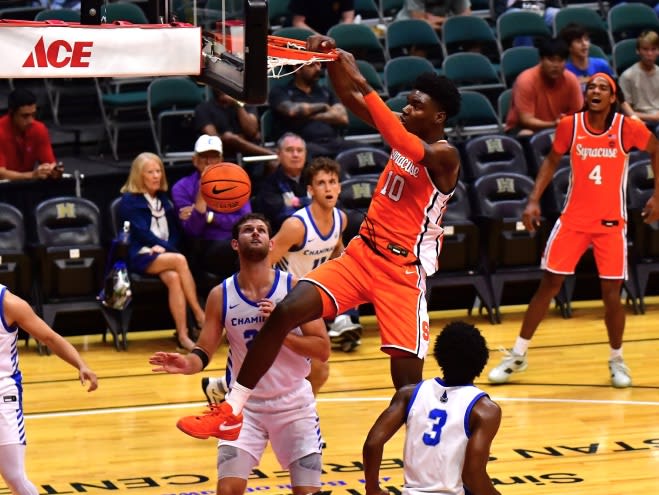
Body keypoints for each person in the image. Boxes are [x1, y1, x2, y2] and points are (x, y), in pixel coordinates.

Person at [174, 35, 463, 440]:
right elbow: (349, 100)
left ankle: (432, 458)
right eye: (407, 102)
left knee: (406, 387)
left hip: (403, 273)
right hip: (363, 255)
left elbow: (394, 134)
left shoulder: (445, 156)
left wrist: (362, 79)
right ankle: (232, 409)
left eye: (417, 105)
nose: (407, 108)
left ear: (439, 117)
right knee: (285, 312)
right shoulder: (406, 131)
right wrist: (328, 59)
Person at [489, 73, 659, 388]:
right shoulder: (571, 125)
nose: (594, 90)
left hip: (611, 224)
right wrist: (533, 201)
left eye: (602, 88)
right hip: (573, 221)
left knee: (612, 296)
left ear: (612, 98)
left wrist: (658, 196)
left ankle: (617, 359)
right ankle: (518, 354)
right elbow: (551, 162)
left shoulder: (627, 128)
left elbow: (656, 149)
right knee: (549, 285)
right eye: (590, 87)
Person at [149, 213, 330, 495]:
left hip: (295, 406)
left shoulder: (295, 289)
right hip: (243, 410)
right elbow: (204, 350)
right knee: (228, 490)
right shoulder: (220, 295)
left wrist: (280, 328)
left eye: (262, 229)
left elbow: (322, 348)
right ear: (235, 244)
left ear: (271, 244)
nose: (256, 233)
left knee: (308, 492)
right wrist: (187, 363)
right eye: (248, 230)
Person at [201, 157, 359, 404]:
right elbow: (265, 260)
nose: (328, 188)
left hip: (307, 299)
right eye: (321, 183)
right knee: (310, 366)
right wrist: (260, 298)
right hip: (284, 297)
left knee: (303, 366)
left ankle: (222, 387)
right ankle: (303, 416)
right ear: (310, 190)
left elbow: (336, 247)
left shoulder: (341, 219)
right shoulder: (296, 226)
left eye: (332, 182)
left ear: (340, 187)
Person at [363, 321, 501, 495]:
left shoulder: (409, 394)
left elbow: (373, 443)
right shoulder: (484, 409)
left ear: (439, 355)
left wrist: (372, 489)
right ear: (482, 360)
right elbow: (473, 475)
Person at [0, 284, 98, 495]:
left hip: (3, 395)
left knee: (14, 476)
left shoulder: (10, 303)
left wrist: (81, 364)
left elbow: (49, 337)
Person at [118, 152, 206, 352]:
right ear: (139, 176)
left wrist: (166, 247)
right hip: (140, 254)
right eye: (150, 172)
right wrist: (165, 249)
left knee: (174, 277)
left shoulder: (164, 200)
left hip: (164, 254)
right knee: (179, 260)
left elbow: (175, 233)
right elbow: (140, 233)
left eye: (158, 171)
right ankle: (199, 315)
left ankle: (183, 336)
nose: (156, 176)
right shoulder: (130, 202)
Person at [171, 134, 251, 283]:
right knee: (239, 250)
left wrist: (209, 217)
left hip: (236, 240)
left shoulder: (237, 183)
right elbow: (192, 231)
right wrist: (201, 198)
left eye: (213, 157)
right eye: (203, 156)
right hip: (205, 244)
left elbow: (245, 221)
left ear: (221, 160)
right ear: (194, 160)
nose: (208, 162)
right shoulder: (181, 188)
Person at [268, 60, 361, 159]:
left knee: (364, 151)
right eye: (312, 65)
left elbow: (342, 117)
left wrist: (305, 115)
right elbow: (292, 111)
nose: (318, 69)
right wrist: (323, 107)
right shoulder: (281, 91)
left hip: (332, 142)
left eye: (318, 64)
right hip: (303, 145)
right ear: (297, 68)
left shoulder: (325, 92)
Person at [505, 37, 584, 136]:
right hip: (524, 128)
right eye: (551, 60)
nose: (556, 65)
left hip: (559, 128)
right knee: (526, 133)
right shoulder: (526, 80)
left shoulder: (571, 80)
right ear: (541, 60)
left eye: (560, 60)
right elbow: (526, 120)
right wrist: (553, 124)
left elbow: (578, 115)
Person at [194, 88, 274, 163]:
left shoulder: (245, 104)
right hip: (224, 154)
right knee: (229, 137)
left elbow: (252, 131)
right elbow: (214, 140)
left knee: (274, 164)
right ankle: (271, 154)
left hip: (252, 154)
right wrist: (236, 139)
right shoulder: (203, 109)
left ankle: (271, 155)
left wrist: (237, 104)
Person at [251, 133, 311, 232]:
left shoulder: (315, 176)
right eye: (289, 150)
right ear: (279, 154)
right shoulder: (269, 182)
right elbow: (279, 215)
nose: (295, 155)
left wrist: (296, 202)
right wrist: (312, 203)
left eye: (299, 150)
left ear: (305, 154)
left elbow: (331, 203)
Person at [0, 88, 62, 181]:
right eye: (25, 116)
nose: (31, 121)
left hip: (26, 186)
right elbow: (1, 174)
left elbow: (50, 164)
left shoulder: (39, 129)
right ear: (11, 113)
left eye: (33, 115)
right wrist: (32, 175)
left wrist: (53, 171)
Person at [619, 31, 659, 125]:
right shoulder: (628, 76)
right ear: (638, 51)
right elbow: (625, 109)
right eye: (645, 49)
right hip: (641, 121)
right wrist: (653, 117)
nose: (649, 54)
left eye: (653, 49)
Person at [395, 0, 471, 32]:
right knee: (424, 34)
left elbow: (466, 18)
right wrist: (452, 24)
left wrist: (442, 20)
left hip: (442, 24)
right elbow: (421, 21)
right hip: (408, 25)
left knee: (472, 33)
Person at [290, 0, 355, 35]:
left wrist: (338, 35)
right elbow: (298, 22)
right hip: (307, 33)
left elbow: (348, 18)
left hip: (330, 32)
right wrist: (321, 38)